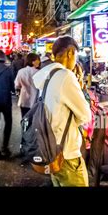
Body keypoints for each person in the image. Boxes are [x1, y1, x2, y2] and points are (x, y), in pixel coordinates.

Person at [33, 36, 92, 187]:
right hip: (67, 155)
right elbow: (86, 115)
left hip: (51, 150)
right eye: (76, 55)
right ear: (70, 53)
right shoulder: (66, 76)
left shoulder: (48, 75)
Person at [15, 53, 41, 118]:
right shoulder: (40, 72)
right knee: (34, 120)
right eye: (37, 60)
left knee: (24, 119)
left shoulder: (21, 71)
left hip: (24, 100)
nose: (39, 61)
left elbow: (17, 85)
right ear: (32, 61)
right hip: (36, 100)